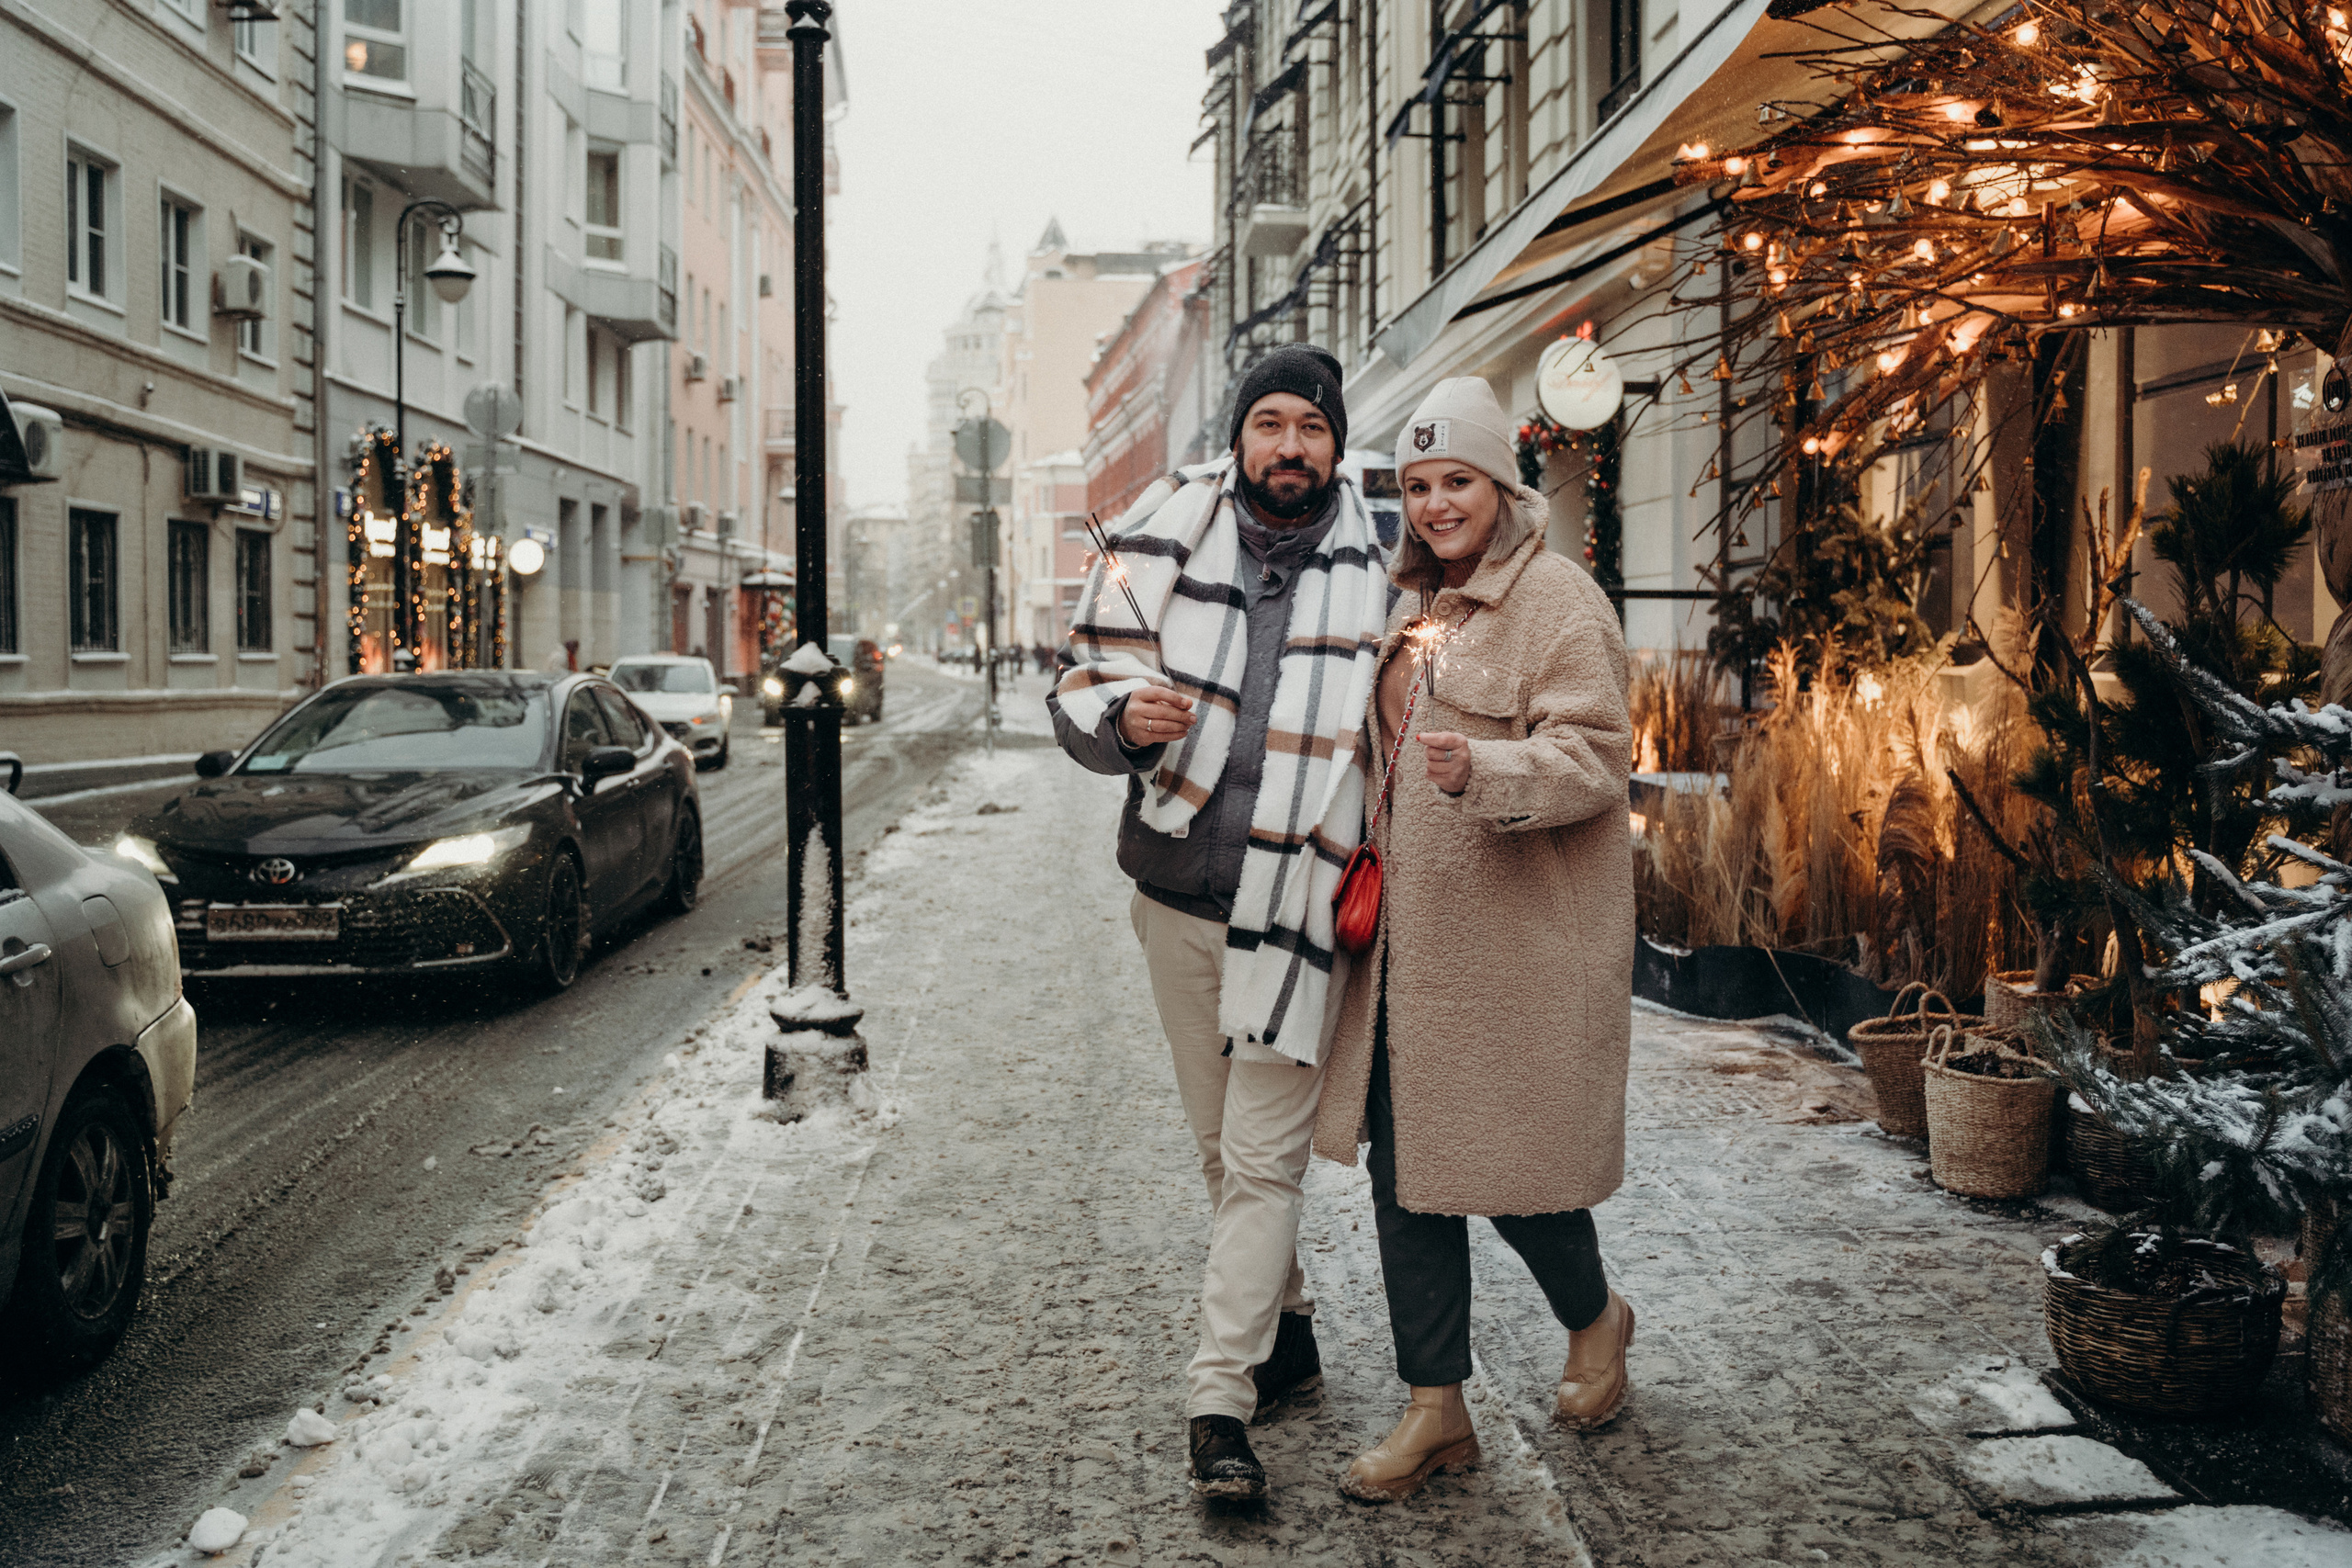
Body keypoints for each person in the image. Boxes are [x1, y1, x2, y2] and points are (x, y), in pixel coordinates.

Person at [1049, 345, 1395, 1503]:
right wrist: (1125, 723)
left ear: (1335, 446)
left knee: (1257, 1166)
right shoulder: (1161, 538)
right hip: (1175, 898)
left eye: (1310, 426)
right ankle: (1285, 1328)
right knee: (1221, 1153)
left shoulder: (1384, 566)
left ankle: (1218, 1406)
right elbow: (1078, 684)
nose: (1289, 445)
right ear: (1239, 438)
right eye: (1269, 424)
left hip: (1297, 907)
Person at [1310, 375, 1637, 1504]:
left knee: (1515, 1176)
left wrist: (1487, 767)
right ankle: (1433, 1407)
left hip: (1514, 956)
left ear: (1501, 484)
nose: (1437, 504)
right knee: (1407, 1182)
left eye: (1457, 481)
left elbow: (1598, 758)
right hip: (1406, 956)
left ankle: (1595, 1319)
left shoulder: (1559, 603)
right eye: (1417, 485)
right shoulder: (1413, 609)